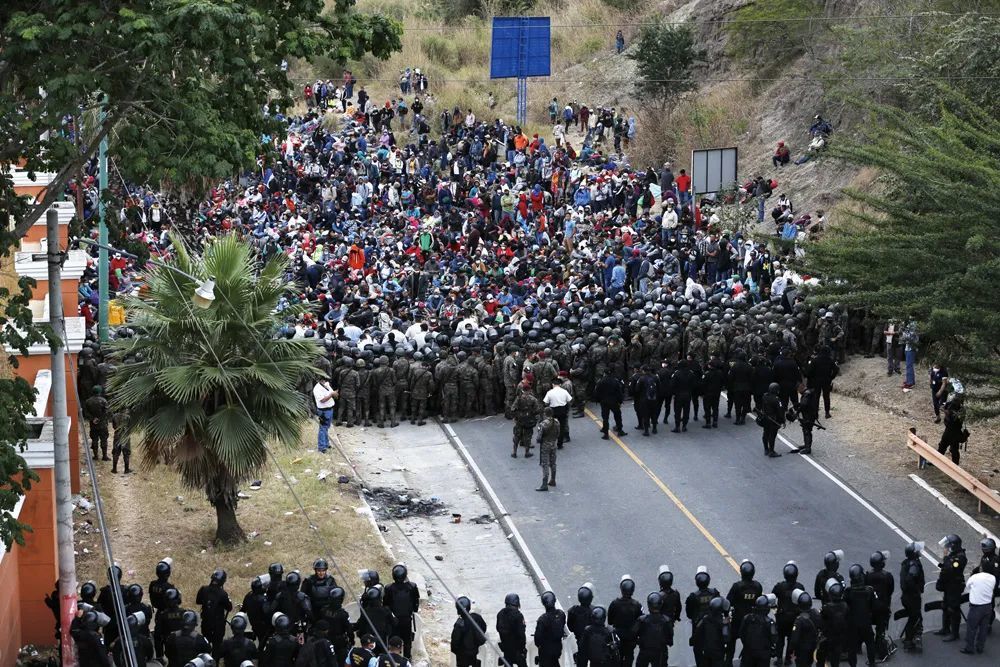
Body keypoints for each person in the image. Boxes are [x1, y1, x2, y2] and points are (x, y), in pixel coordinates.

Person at [725, 560, 762, 666]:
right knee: (749, 643)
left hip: (737, 619)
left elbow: (728, 602)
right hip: (751, 619)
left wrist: (727, 616)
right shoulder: (758, 586)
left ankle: (728, 662)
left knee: (731, 642)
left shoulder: (737, 586)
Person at [935, 534, 967, 642]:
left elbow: (950, 569)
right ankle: (945, 628)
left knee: (953, 609)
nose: (947, 547)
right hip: (948, 585)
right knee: (945, 606)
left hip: (955, 586)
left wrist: (945, 557)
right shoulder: (953, 555)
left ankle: (955, 633)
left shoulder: (960, 557)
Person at [383, 564, 420, 659]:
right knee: (407, 641)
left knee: (393, 641)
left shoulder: (388, 588)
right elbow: (416, 603)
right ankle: (407, 659)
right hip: (406, 619)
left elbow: (385, 605)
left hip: (393, 619)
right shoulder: (412, 586)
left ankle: (392, 659)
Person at [962, 558, 997, 654]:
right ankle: (980, 647)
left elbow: (968, 586)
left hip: (976, 607)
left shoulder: (975, 577)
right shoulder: (993, 578)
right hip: (988, 607)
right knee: (983, 629)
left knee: (971, 628)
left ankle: (969, 648)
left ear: (982, 567)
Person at [864, 551, 894, 658]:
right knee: (881, 630)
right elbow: (891, 590)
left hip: (870, 608)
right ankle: (880, 649)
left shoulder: (867, 575)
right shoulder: (888, 576)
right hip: (883, 608)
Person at [196, 569, 233, 655]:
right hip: (218, 626)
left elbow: (198, 601)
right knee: (217, 647)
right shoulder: (223, 594)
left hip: (206, 623)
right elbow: (229, 608)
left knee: (205, 644)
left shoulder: (203, 589)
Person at [633, 592, 673, 667]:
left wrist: (639, 641)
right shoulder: (666, 620)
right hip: (660, 651)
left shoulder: (642, 620)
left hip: (645, 650)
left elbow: (634, 634)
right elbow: (670, 638)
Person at [899, 541, 925, 652]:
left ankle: (910, 637)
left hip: (907, 596)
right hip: (912, 597)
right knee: (914, 619)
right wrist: (916, 590)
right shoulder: (913, 564)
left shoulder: (906, 563)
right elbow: (909, 579)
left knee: (914, 617)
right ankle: (908, 641)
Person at [737, 596, 776, 667]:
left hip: (748, 651)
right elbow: (774, 638)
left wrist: (747, 645)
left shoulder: (747, 618)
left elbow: (741, 633)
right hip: (763, 653)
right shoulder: (770, 622)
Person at [450, 596, 487, 667]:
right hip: (474, 652)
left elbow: (455, 642)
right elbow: (484, 628)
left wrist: (456, 651)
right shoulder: (476, 617)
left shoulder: (459, 623)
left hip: (462, 655)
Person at [788, 591, 821, 667]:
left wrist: (791, 650)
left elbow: (794, 639)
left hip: (802, 649)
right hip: (813, 645)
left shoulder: (799, 620)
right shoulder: (816, 613)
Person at [534, 591, 566, 667]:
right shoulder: (561, 614)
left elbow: (537, 640)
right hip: (557, 649)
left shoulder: (543, 619)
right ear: (554, 600)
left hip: (546, 652)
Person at [594, 368, 627, 440]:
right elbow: (619, 392)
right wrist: (620, 401)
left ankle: (606, 434)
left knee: (605, 418)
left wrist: (598, 400)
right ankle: (620, 430)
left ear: (604, 373)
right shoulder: (615, 381)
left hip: (604, 402)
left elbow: (597, 392)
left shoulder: (600, 381)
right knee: (618, 416)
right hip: (614, 402)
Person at [496, 593, 528, 667]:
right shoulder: (518, 615)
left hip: (506, 648)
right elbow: (521, 634)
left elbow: (498, 628)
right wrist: (523, 648)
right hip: (517, 649)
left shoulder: (500, 614)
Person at [511, 382, 541, 458]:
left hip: (520, 419)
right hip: (529, 420)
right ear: (529, 390)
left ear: (522, 390)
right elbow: (537, 410)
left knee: (517, 436)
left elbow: (513, 408)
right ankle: (527, 453)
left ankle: (514, 452)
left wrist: (516, 416)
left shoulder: (519, 398)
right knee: (528, 436)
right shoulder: (533, 399)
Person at [568, 584, 595, 666]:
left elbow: (570, 627)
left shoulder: (573, 611)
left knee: (581, 662)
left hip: (580, 641)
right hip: (592, 643)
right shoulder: (594, 611)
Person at [936, 395, 968, 464]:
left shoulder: (961, 409)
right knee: (943, 446)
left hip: (955, 430)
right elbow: (943, 408)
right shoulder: (951, 404)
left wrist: (946, 411)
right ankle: (937, 461)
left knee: (953, 449)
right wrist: (944, 409)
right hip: (949, 429)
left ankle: (955, 465)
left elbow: (955, 418)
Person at [543, 378, 573, 448]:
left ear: (552, 384)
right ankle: (560, 444)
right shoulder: (564, 391)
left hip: (553, 411)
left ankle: (552, 443)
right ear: (560, 384)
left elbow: (545, 402)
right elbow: (570, 400)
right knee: (562, 427)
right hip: (563, 410)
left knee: (552, 427)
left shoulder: (549, 392)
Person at [84, 384, 111, 461]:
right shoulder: (103, 401)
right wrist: (100, 418)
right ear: (100, 392)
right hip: (102, 424)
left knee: (94, 440)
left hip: (93, 424)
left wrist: (93, 419)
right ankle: (104, 456)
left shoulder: (88, 401)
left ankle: (95, 456)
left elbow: (86, 413)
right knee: (104, 439)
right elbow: (107, 412)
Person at [536, 407, 560, 491]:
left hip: (545, 446)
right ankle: (553, 480)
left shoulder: (543, 424)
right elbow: (558, 433)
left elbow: (539, 438)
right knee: (553, 463)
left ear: (545, 414)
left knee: (545, 464)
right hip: (553, 444)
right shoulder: (557, 422)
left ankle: (544, 484)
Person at [757, 383, 784, 458]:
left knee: (765, 433)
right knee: (772, 435)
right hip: (773, 420)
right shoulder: (777, 399)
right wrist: (782, 420)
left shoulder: (765, 396)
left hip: (766, 418)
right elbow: (780, 411)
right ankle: (771, 451)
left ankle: (766, 449)